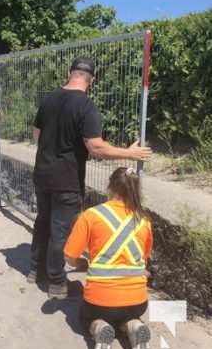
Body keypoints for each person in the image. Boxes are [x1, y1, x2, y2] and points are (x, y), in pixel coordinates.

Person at [29, 56, 153, 299]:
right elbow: (96, 147)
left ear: (69, 73)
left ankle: (36, 270)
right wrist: (129, 153)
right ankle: (56, 281)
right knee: (60, 230)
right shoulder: (86, 107)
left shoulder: (48, 99)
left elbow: (36, 135)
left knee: (42, 221)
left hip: (42, 172)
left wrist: (52, 152)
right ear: (92, 80)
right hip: (66, 179)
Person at [64, 167, 153, 349]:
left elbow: (70, 256)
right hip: (137, 302)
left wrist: (84, 263)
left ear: (110, 187)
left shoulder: (91, 215)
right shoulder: (143, 221)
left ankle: (100, 328)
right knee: (126, 315)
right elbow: (143, 261)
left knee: (86, 317)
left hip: (99, 301)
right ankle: (134, 326)